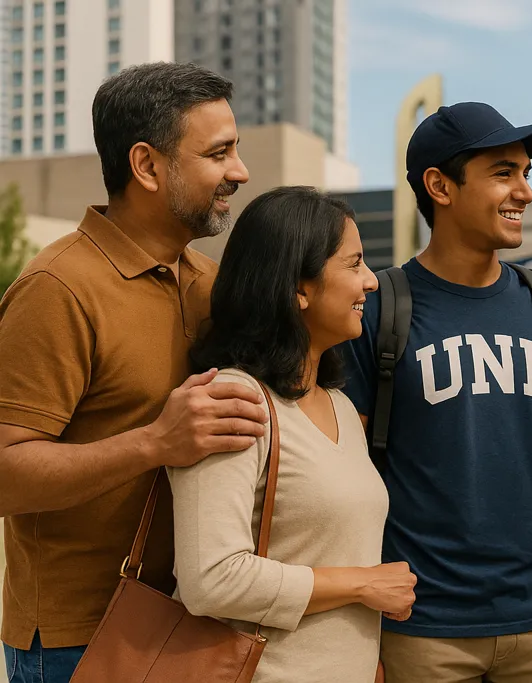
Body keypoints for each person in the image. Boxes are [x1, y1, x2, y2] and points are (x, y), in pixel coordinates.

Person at [0, 62, 268, 682]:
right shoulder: (57, 288)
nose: (240, 172)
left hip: (198, 624)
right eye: (219, 153)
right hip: (80, 642)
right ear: (147, 166)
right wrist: (154, 443)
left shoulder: (213, 285)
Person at [340, 102, 532, 683]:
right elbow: (343, 476)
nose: (524, 191)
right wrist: (357, 626)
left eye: (526, 173)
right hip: (420, 627)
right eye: (502, 173)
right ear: (440, 187)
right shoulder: (378, 313)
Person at [167, 187, 416, 683]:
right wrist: (362, 585)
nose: (370, 281)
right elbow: (211, 579)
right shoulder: (235, 399)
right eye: (354, 264)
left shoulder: (341, 406)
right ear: (298, 289)